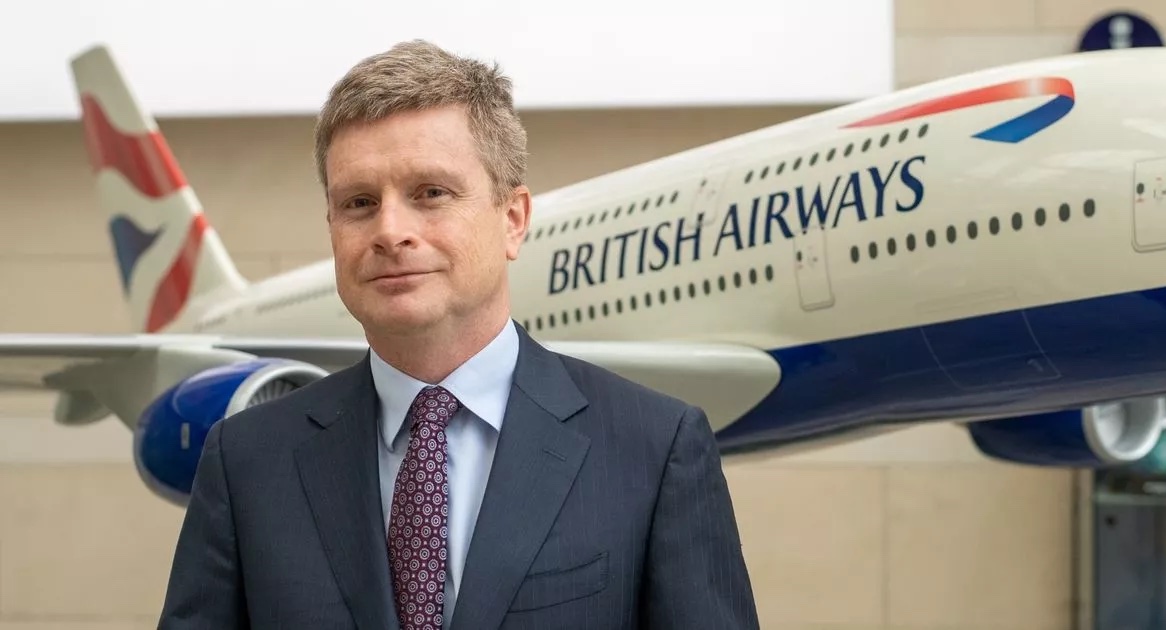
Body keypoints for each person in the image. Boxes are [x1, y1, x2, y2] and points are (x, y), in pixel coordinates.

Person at [157, 39, 759, 630]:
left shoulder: (655, 451)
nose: (391, 230)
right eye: (360, 202)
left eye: (432, 194)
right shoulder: (246, 463)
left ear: (513, 219)